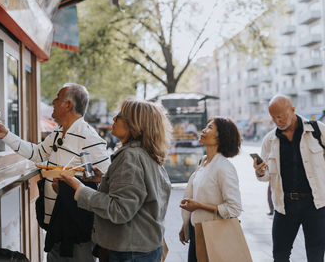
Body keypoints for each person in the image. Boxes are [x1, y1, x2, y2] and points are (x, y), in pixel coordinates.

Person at [0, 83, 110, 262]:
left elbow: (108, 181)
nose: (53, 101)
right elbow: (37, 153)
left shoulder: (89, 138)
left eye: (57, 98)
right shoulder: (58, 132)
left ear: (68, 105)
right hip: (56, 225)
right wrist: (6, 135)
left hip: (77, 230)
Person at [60, 99, 172, 261]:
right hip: (143, 246)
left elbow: (120, 210)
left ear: (134, 123)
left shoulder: (130, 156)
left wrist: (79, 189)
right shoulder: (147, 153)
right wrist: (107, 179)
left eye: (118, 116)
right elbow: (139, 193)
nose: (113, 119)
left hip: (129, 251)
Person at [253, 94, 325, 262]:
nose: (278, 120)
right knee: (280, 255)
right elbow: (265, 177)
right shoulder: (269, 140)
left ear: (292, 110)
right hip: (284, 206)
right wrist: (260, 171)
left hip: (315, 204)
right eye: (273, 117)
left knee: (316, 255)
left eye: (281, 115)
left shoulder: (317, 130)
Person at [179, 117, 243, 262]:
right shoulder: (204, 162)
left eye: (209, 128)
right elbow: (197, 194)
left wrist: (199, 206)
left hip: (214, 235)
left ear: (221, 137)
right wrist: (186, 225)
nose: (203, 130)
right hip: (197, 231)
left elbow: (234, 208)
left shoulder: (224, 167)